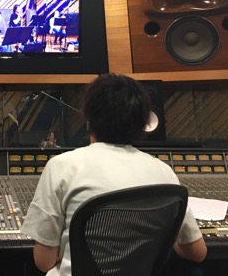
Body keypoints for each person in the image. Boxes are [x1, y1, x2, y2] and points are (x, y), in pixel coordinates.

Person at [21, 74, 207, 276]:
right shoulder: (164, 171)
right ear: (143, 122)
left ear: (89, 119)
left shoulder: (62, 166)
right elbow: (198, 253)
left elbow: (44, 261)